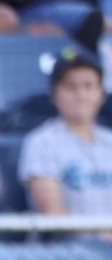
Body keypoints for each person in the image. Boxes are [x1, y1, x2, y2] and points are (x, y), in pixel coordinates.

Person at [20, 48, 112, 223]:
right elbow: (53, 216)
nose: (80, 95)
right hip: (70, 240)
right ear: (54, 94)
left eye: (88, 86)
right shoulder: (42, 143)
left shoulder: (109, 141)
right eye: (70, 87)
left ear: (101, 94)